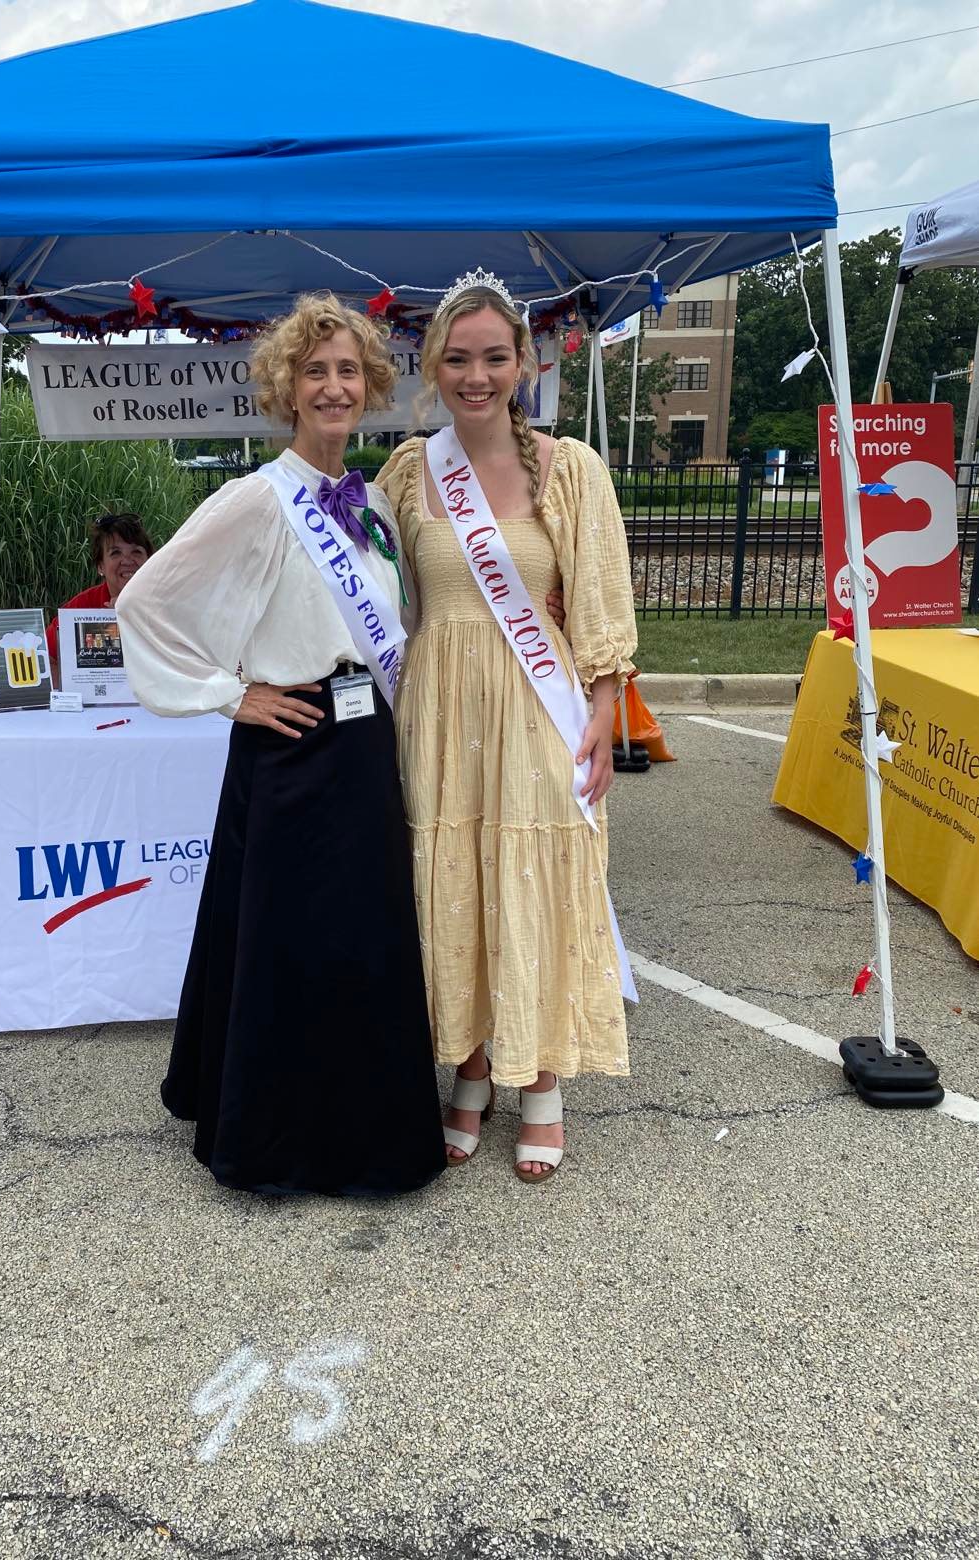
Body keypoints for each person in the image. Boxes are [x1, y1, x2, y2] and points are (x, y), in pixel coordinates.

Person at [116, 293, 446, 1198]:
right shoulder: (257, 501)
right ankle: (277, 1140)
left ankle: (368, 1133)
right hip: (294, 747)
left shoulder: (374, 500)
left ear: (369, 382)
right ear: (287, 389)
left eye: (348, 370)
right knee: (290, 946)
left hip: (364, 744)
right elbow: (145, 602)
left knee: (360, 944)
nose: (334, 387)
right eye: (315, 372)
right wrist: (232, 693)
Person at [376, 272, 638, 1182]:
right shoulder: (409, 471)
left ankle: (543, 1082)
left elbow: (600, 609)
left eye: (495, 356)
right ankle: (473, 1069)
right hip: (438, 714)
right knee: (455, 886)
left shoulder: (571, 470)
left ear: (525, 362)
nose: (476, 375)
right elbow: (373, 595)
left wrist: (603, 718)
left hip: (537, 709)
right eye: (458, 359)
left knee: (533, 881)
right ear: (431, 367)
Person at [46, 512, 153, 663]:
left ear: (150, 561)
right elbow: (43, 656)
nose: (127, 560)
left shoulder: (166, 605)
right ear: (100, 566)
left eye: (136, 551)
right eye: (116, 553)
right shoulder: (82, 607)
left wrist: (130, 616)